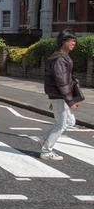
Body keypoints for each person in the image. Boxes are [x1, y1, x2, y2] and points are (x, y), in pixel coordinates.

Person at [39, 29, 79, 161]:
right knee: (61, 124)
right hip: (61, 96)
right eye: (71, 40)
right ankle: (46, 151)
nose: (74, 43)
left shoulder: (62, 57)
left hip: (59, 96)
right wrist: (70, 101)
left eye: (74, 40)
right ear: (63, 42)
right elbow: (61, 81)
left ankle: (44, 138)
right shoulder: (60, 59)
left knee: (69, 122)